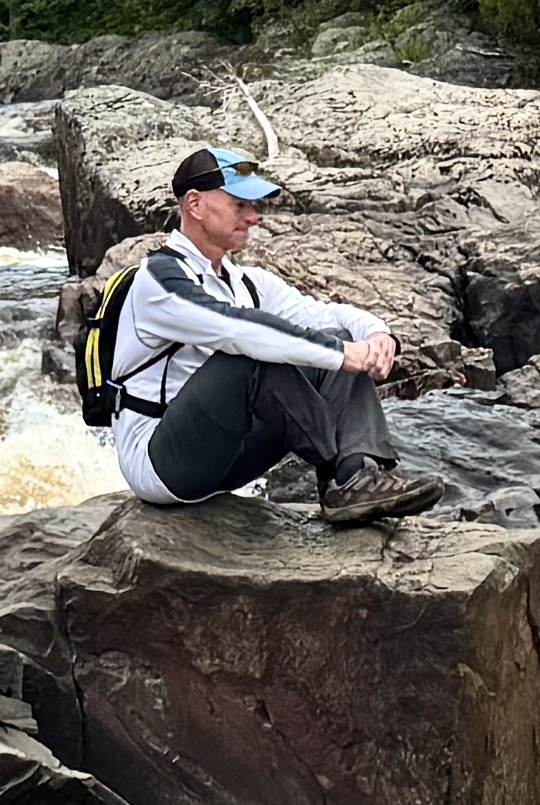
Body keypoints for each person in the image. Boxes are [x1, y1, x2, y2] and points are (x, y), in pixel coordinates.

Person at [104, 145, 444, 523]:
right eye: (240, 205)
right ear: (195, 205)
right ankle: (341, 472)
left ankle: (354, 478)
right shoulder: (157, 281)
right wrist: (342, 353)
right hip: (162, 466)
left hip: (229, 456)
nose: (254, 217)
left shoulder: (247, 282)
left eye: (254, 206)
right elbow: (236, 329)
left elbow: (324, 315)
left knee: (331, 337)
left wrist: (377, 334)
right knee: (254, 355)